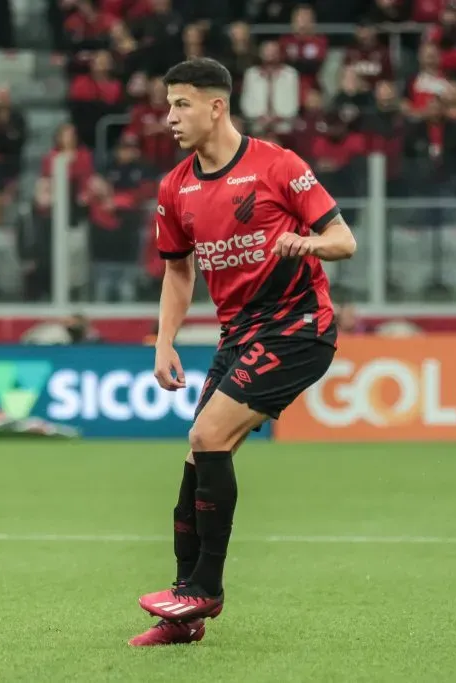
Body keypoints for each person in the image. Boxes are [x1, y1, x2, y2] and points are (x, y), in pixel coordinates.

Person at [130, 58, 357, 647]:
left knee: (207, 438)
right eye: (168, 104)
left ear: (216, 107)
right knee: (196, 457)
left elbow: (343, 240)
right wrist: (164, 340)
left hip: (299, 327)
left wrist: (303, 241)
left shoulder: (278, 165)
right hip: (239, 336)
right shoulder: (175, 186)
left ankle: (205, 587)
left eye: (181, 104)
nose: (169, 117)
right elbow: (178, 274)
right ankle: (183, 615)